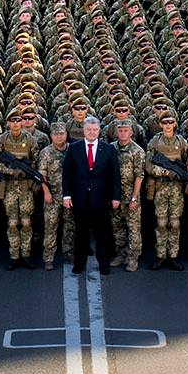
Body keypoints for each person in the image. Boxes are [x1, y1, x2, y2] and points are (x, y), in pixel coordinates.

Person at [62, 114, 119, 274]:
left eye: (95, 130)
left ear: (99, 130)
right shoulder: (74, 148)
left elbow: (115, 175)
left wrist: (116, 197)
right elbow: (67, 173)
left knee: (103, 234)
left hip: (101, 199)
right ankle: (79, 265)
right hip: (80, 199)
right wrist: (66, 195)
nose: (92, 132)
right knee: (80, 234)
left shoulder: (108, 149)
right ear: (84, 130)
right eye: (89, 130)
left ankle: (104, 265)